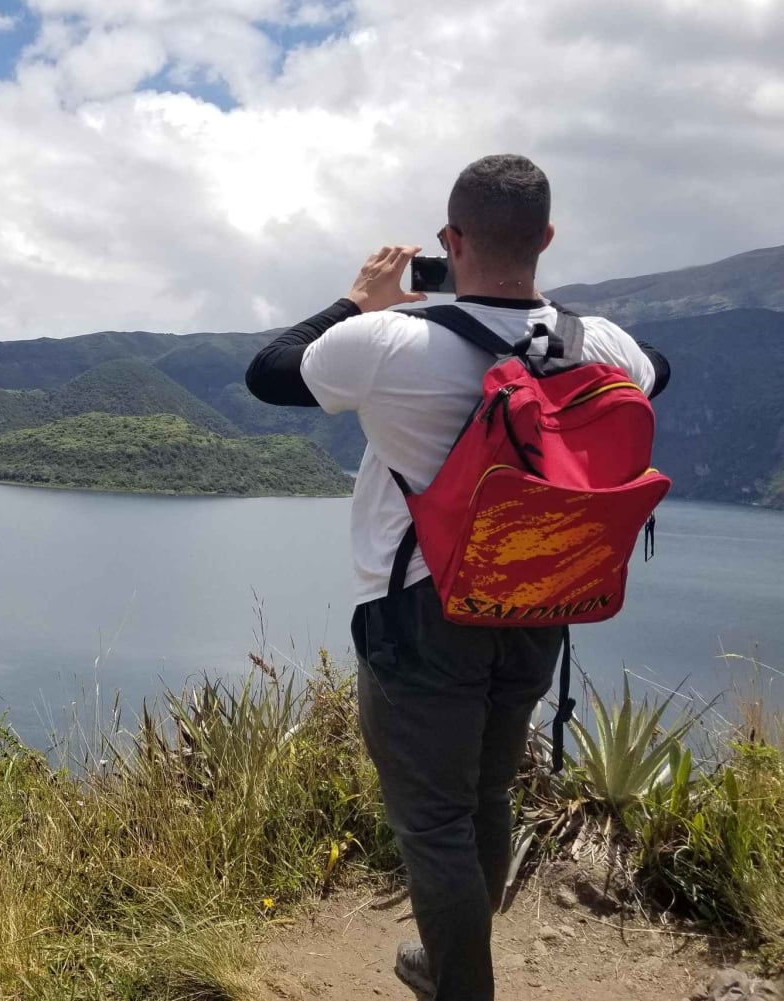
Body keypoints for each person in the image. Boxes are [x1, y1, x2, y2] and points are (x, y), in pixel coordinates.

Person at [244, 154, 670, 1001]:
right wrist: (544, 331)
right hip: (540, 597)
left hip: (421, 608)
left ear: (451, 239)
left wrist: (357, 300)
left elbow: (269, 369)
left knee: (433, 819)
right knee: (487, 793)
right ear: (546, 238)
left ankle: (460, 986)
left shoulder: (389, 342)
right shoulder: (600, 344)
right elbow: (659, 364)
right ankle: (448, 964)